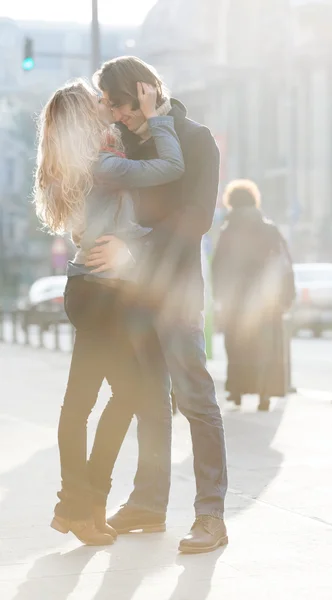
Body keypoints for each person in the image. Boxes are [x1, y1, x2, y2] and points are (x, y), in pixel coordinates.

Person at [84, 56, 228, 554]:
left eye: (120, 104)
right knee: (147, 397)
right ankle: (148, 503)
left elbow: (198, 217)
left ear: (145, 91)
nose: (116, 114)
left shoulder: (196, 139)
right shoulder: (126, 142)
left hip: (177, 288)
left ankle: (210, 514)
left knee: (194, 398)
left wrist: (134, 247)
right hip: (132, 294)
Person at [33, 78, 185, 546]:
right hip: (102, 292)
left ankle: (81, 506)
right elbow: (168, 170)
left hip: (92, 291)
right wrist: (156, 120)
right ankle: (81, 505)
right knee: (123, 396)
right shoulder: (104, 164)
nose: (105, 105)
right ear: (85, 116)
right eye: (96, 101)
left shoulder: (75, 164)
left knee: (87, 402)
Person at [212, 180, 295, 411]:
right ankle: (265, 394)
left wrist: (220, 298)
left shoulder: (228, 230)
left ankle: (237, 390)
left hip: (236, 301)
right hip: (267, 300)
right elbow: (284, 262)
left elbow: (218, 267)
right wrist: (287, 295)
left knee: (237, 346)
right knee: (266, 346)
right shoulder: (269, 227)